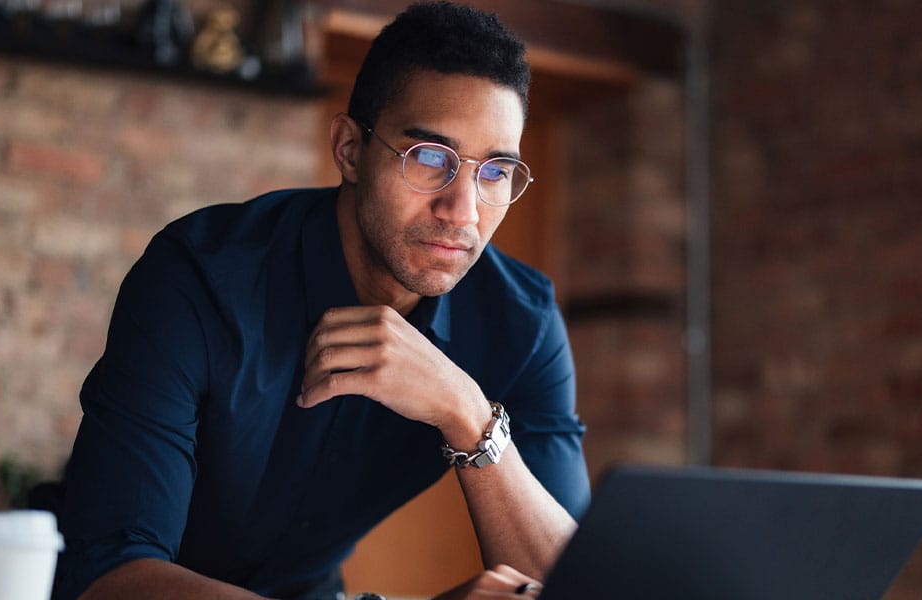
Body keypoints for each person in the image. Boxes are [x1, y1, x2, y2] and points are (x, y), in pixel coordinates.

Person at [51, 2, 591, 599]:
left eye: (495, 172)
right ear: (350, 149)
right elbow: (109, 575)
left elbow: (576, 586)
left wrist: (467, 412)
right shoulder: (199, 277)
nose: (463, 212)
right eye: (429, 158)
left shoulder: (523, 323)